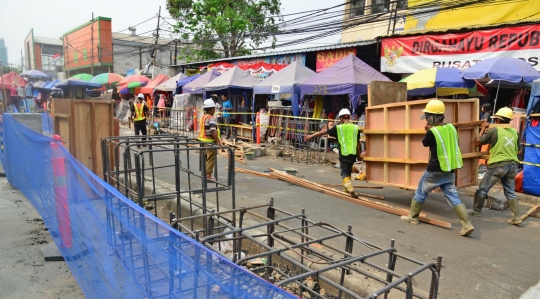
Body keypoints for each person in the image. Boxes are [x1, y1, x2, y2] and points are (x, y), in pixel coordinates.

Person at [400, 99, 474, 236]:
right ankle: (467, 224)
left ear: (433, 117)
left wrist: (428, 131)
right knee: (453, 196)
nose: (426, 120)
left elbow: (425, 143)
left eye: (427, 117)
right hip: (450, 170)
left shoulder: (432, 133)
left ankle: (413, 217)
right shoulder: (451, 128)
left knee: (420, 192)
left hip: (435, 170)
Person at [469, 107, 522, 225]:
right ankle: (516, 217)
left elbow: (478, 141)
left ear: (497, 120)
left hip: (498, 164)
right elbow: (519, 151)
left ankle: (476, 211)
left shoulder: (495, 131)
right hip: (513, 165)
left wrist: (483, 128)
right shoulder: (515, 132)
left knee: (483, 188)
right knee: (510, 191)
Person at [305, 108, 361, 198]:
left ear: (341, 118)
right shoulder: (355, 127)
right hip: (353, 154)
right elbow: (358, 143)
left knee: (345, 173)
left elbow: (324, 131)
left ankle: (350, 188)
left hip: (344, 154)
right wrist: (359, 155)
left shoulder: (338, 128)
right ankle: (346, 188)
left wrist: (311, 135)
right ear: (349, 117)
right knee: (348, 171)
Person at [198, 99, 222, 181]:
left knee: (204, 157)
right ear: (211, 109)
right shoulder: (211, 118)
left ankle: (204, 173)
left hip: (202, 140)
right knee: (211, 157)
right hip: (209, 141)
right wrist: (218, 141)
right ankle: (208, 175)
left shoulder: (203, 117)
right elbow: (213, 130)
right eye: (214, 108)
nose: (215, 110)